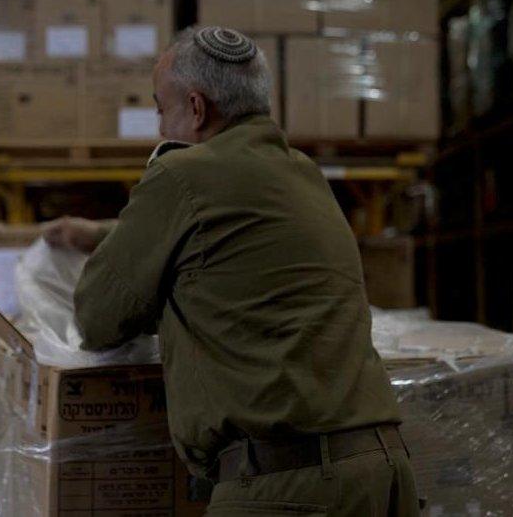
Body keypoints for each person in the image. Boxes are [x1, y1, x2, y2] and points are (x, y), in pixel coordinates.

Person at [44, 26, 420, 516]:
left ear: (196, 109)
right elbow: (223, 238)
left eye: (162, 109)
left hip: (283, 488)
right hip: (385, 474)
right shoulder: (302, 172)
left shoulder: (179, 173)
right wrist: (98, 233)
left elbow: (98, 317)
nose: (160, 129)